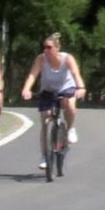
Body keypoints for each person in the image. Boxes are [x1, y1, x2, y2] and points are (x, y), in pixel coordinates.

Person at [20, 32, 85, 162]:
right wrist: (26, 89)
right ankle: (45, 157)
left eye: (49, 47)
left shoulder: (67, 58)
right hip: (48, 90)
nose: (46, 50)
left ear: (57, 48)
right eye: (44, 47)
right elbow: (33, 75)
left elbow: (76, 74)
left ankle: (70, 128)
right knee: (45, 120)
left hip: (66, 88)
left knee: (70, 105)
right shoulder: (41, 59)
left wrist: (81, 88)